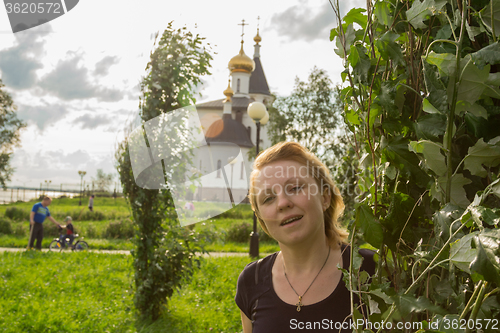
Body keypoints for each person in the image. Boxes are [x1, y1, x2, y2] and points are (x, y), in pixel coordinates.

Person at [235, 142, 375, 333]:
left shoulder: (371, 270)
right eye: (268, 198)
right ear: (262, 219)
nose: (282, 203)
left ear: (324, 197)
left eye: (294, 188)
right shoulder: (252, 281)